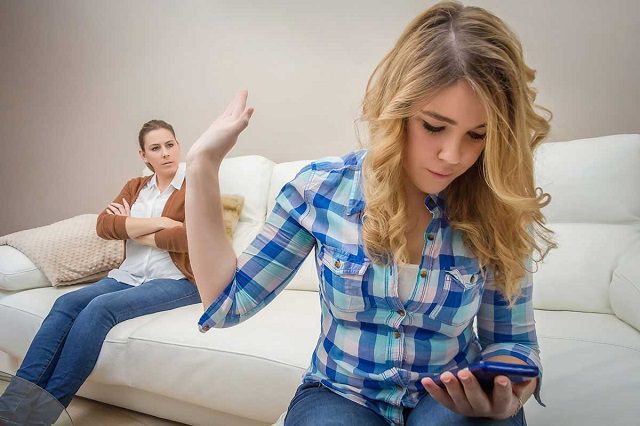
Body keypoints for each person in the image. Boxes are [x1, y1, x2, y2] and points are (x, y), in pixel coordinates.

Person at [185, 2, 555, 425]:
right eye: (434, 126)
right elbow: (228, 303)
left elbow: (513, 341)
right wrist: (202, 166)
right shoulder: (320, 190)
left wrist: (510, 393)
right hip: (342, 392)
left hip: (452, 395)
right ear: (397, 111)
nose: (453, 155)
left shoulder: (498, 208)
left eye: (477, 135)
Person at [0, 119, 200, 424]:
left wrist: (130, 227)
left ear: (178, 145)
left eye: (170, 145)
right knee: (66, 303)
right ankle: (9, 410)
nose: (165, 153)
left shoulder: (197, 185)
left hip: (176, 280)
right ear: (143, 155)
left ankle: (39, 417)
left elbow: (190, 238)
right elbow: (104, 226)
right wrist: (161, 223)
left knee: (99, 309)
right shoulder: (136, 187)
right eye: (155, 148)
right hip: (127, 276)